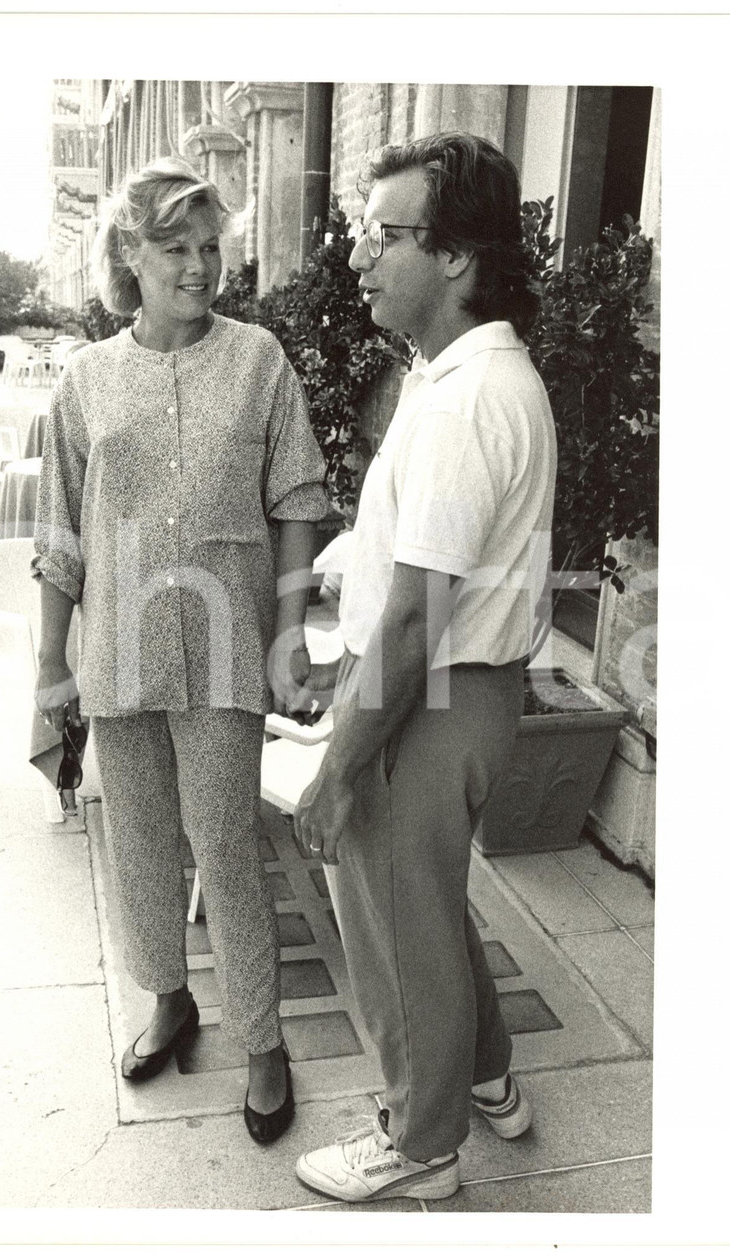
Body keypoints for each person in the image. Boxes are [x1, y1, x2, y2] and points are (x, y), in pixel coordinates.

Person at [32, 156, 329, 1144]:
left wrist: (287, 627)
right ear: (129, 256)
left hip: (226, 652)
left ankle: (263, 1039)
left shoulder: (258, 363)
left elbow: (294, 505)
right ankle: (167, 999)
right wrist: (47, 664)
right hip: (118, 651)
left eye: (210, 248)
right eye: (176, 248)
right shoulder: (84, 381)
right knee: (142, 852)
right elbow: (61, 535)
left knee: (229, 853)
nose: (200, 267)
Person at [291, 132, 557, 1202]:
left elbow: (413, 621)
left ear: (455, 257)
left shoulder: (459, 402)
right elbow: (417, 558)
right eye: (363, 231)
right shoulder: (466, 375)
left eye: (385, 234)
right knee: (430, 906)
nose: (359, 256)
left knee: (397, 927)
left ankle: (420, 1141)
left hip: (432, 697)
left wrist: (339, 768)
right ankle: (485, 1074)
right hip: (466, 692)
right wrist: (345, 575)